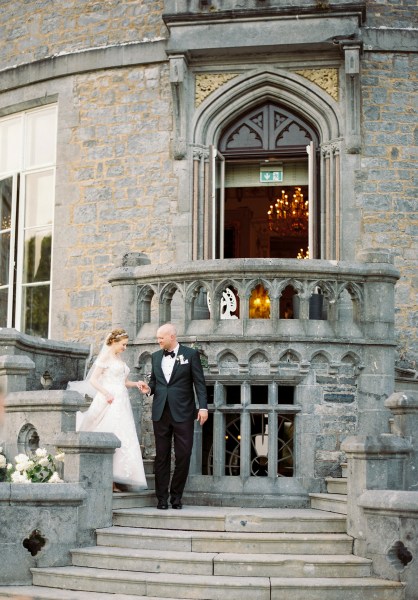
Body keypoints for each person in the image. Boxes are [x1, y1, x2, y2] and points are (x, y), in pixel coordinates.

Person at [140, 323, 208, 510]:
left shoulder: (190, 355)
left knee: (183, 455)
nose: (158, 340)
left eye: (161, 338)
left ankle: (176, 496)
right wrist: (149, 389)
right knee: (161, 456)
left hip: (184, 412)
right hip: (161, 412)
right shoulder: (155, 357)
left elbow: (199, 384)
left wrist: (203, 407)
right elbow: (154, 381)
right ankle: (162, 498)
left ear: (171, 336)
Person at [74, 328, 147, 492]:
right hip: (109, 400)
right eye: (123, 344)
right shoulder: (105, 358)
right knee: (111, 431)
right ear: (114, 342)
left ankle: (118, 477)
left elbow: (123, 381)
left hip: (122, 401)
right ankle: (109, 479)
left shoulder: (119, 359)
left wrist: (136, 384)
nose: (125, 348)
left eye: (126, 345)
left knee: (124, 434)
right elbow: (93, 380)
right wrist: (106, 393)